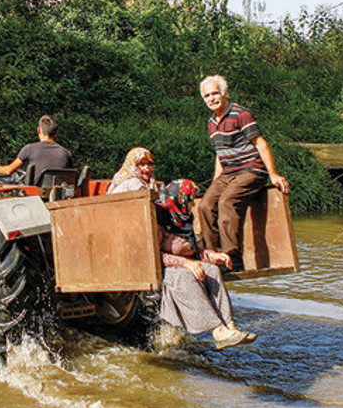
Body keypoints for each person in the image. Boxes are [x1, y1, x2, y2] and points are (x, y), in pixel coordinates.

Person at [107, 147, 256, 350]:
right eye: (141, 164)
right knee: (186, 276)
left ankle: (228, 325)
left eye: (150, 164)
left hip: (168, 259)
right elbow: (152, 253)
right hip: (150, 261)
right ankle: (217, 330)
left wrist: (212, 256)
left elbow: (192, 248)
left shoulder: (177, 216)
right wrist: (186, 263)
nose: (147, 168)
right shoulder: (143, 200)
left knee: (211, 270)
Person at [196, 75, 289, 271]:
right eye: (207, 96)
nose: (211, 98)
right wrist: (215, 183)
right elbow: (219, 155)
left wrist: (273, 174)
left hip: (251, 170)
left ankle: (233, 257)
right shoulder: (212, 122)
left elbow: (260, 143)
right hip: (229, 173)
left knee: (227, 202)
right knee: (205, 205)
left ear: (224, 93)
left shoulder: (241, 114)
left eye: (215, 93)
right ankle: (212, 254)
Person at [0, 115, 73, 184]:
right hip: (58, 196)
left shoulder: (29, 149)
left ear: (39, 130)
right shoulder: (66, 153)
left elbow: (8, 170)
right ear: (57, 133)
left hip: (35, 196)